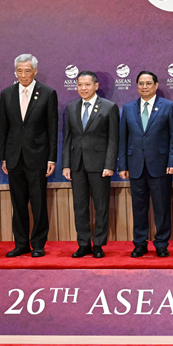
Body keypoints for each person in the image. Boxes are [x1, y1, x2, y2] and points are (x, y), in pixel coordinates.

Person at [0, 54, 58, 258]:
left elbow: (52, 128)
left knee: (39, 202)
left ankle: (39, 244)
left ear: (35, 71)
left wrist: (52, 158)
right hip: (14, 158)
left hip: (38, 157)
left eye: (27, 70)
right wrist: (3, 157)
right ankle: (21, 243)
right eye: (19, 71)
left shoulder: (48, 93)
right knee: (18, 203)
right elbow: (4, 128)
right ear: (15, 72)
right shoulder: (6, 94)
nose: (23, 75)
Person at [118, 71, 173, 258]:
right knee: (139, 208)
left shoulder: (168, 106)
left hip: (160, 166)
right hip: (135, 165)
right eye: (141, 84)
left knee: (161, 207)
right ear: (137, 86)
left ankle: (161, 243)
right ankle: (140, 243)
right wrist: (123, 166)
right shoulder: (128, 108)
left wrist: (172, 161)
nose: (144, 87)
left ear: (156, 85)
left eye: (148, 83)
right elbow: (123, 138)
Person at [61, 71, 118, 259]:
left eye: (86, 85)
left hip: (100, 165)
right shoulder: (70, 108)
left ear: (96, 86)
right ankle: (83, 243)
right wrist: (66, 164)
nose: (83, 88)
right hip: (77, 165)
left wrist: (110, 164)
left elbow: (113, 140)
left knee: (101, 206)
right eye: (79, 85)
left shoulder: (109, 107)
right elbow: (67, 138)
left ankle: (99, 244)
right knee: (80, 206)